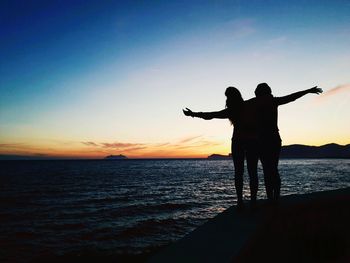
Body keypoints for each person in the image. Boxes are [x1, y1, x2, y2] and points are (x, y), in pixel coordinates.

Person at [183, 87, 258, 210]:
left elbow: (212, 115)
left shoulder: (236, 109)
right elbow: (212, 115)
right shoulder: (245, 106)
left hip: (241, 142)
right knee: (250, 172)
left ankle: (242, 202)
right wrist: (194, 114)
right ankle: (250, 202)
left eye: (228, 96)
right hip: (249, 141)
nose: (227, 99)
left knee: (241, 172)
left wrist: (193, 114)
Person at [254, 83, 322, 202]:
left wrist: (308, 90)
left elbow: (292, 97)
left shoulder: (260, 102)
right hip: (270, 139)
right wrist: (308, 90)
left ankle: (273, 197)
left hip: (266, 139)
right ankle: (274, 197)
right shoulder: (270, 101)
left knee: (269, 169)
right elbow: (292, 97)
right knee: (271, 168)